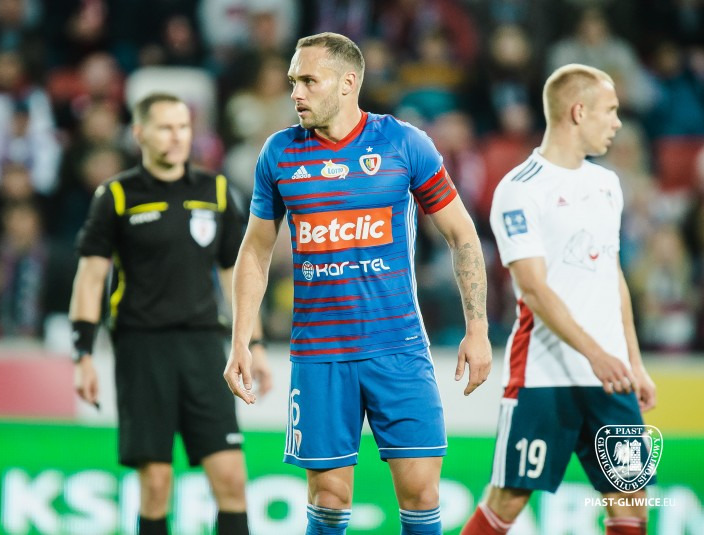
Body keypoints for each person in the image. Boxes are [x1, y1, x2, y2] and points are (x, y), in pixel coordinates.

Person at [223, 32, 492, 535]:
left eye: (309, 80)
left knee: (422, 494)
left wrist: (476, 328)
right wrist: (241, 340)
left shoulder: (403, 143)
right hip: (320, 355)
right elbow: (254, 252)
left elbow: (462, 236)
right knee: (328, 499)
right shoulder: (279, 153)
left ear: (348, 83)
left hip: (398, 348)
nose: (295, 93)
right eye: (293, 81)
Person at [461, 64, 657, 535]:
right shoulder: (521, 188)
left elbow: (612, 276)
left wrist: (632, 361)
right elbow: (533, 288)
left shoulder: (607, 184)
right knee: (508, 500)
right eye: (610, 111)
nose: (617, 123)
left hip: (610, 377)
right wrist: (596, 354)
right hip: (544, 375)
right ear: (578, 111)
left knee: (632, 505)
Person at [69, 93, 271, 535]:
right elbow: (90, 278)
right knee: (156, 485)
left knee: (232, 479)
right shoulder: (116, 196)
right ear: (140, 133)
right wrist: (82, 354)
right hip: (142, 349)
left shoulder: (216, 192)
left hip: (204, 347)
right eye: (165, 127)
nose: (177, 137)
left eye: (183, 127)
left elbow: (236, 277)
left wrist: (253, 344)